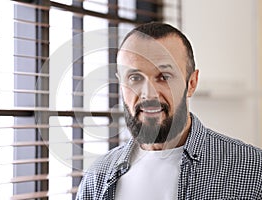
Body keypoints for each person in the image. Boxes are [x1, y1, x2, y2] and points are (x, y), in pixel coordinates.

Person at [75, 22, 262, 200]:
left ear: (192, 83)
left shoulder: (253, 169)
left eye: (164, 77)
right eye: (134, 78)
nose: (149, 94)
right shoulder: (96, 178)